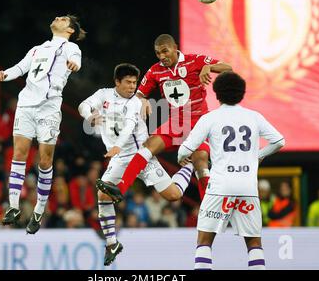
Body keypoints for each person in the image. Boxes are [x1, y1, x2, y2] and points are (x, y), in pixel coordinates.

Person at [78, 63, 198, 265]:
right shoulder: (103, 95)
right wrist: (90, 116)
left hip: (141, 156)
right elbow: (83, 105)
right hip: (119, 159)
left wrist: (117, 145)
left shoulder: (135, 102)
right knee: (102, 195)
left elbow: (130, 126)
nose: (132, 86)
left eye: (135, 82)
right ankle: (111, 243)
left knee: (173, 196)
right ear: (117, 82)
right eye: (128, 82)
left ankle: (191, 165)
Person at [96, 34, 232, 203]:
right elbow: (137, 94)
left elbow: (228, 68)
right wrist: (143, 99)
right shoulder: (155, 71)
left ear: (175, 47)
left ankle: (210, 208)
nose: (162, 56)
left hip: (199, 125)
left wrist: (209, 67)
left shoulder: (195, 60)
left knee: (200, 160)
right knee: (147, 146)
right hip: (175, 124)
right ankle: (120, 189)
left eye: (165, 51)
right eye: (158, 53)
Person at [177, 71, 285, 270]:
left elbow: (185, 149)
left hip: (220, 187)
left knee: (204, 241)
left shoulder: (211, 118)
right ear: (242, 93)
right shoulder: (254, 117)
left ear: (217, 94)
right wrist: (258, 155)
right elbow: (279, 141)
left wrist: (181, 157)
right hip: (248, 188)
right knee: (253, 244)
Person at [0, 15, 86, 234]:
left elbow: (77, 61)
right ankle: (13, 206)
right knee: (19, 153)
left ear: (70, 30)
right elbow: (20, 68)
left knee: (44, 160)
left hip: (49, 107)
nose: (57, 17)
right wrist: (4, 74)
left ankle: (39, 210)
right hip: (26, 104)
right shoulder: (37, 49)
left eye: (63, 18)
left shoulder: (70, 48)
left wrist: (75, 65)